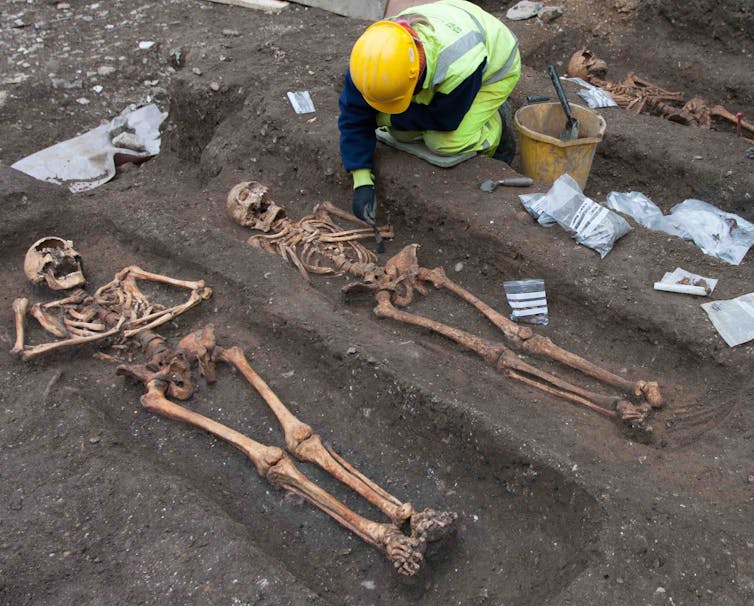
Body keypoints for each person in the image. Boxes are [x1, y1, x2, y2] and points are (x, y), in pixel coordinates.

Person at [338, 0, 522, 224]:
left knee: (445, 143)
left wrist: (388, 118)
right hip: (453, 30)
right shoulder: (370, 61)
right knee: (399, 133)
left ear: (414, 76)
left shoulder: (458, 64)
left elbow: (445, 119)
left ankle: (496, 126)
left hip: (493, 70)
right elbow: (354, 117)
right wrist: (361, 180)